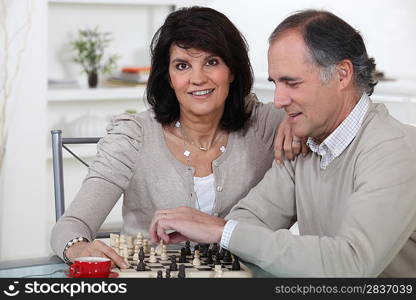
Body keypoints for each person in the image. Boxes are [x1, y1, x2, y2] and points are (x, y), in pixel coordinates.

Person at [150, 9, 416, 277]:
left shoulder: (395, 150)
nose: (278, 101)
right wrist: (223, 232)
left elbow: (350, 264)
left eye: (292, 83)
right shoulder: (304, 142)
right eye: (276, 83)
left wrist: (221, 231)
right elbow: (251, 218)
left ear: (342, 74)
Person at [50, 7, 304, 268]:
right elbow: (70, 227)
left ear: (232, 70)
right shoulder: (133, 136)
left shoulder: (264, 125)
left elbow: (321, 110)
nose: (197, 78)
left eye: (212, 62)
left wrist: (294, 118)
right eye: (182, 65)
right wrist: (78, 247)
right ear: (169, 77)